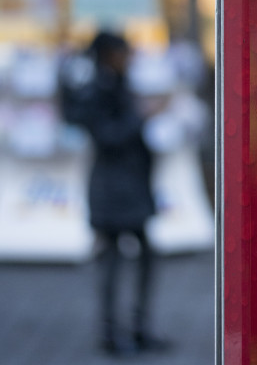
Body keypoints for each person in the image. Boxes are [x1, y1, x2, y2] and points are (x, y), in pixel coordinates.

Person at [79, 31, 167, 356]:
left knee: (141, 258)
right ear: (109, 56)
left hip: (128, 187)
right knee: (113, 262)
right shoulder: (97, 92)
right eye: (123, 52)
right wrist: (142, 116)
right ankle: (112, 333)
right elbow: (108, 137)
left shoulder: (116, 86)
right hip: (113, 190)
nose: (129, 57)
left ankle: (136, 328)